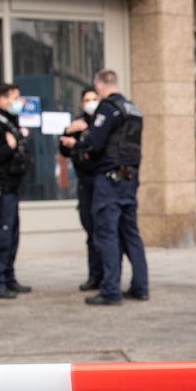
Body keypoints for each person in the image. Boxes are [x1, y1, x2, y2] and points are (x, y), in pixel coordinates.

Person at [75, 69, 149, 306]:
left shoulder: (108, 108)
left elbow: (95, 143)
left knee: (106, 234)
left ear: (99, 86)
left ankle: (110, 290)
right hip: (129, 178)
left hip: (110, 179)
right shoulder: (133, 109)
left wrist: (79, 144)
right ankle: (140, 286)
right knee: (131, 234)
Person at [0, 83, 32, 299]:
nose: (19, 102)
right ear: (2, 100)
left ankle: (9, 278)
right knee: (0, 238)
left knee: (11, 238)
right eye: (14, 97)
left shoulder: (11, 124)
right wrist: (8, 147)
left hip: (11, 188)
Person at [59, 86, 105, 291]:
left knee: (104, 232)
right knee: (91, 231)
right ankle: (94, 275)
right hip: (85, 183)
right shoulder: (78, 123)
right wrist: (68, 132)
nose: (91, 102)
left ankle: (108, 276)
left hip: (101, 183)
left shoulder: (103, 123)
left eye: (94, 98)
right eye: (87, 99)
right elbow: (64, 149)